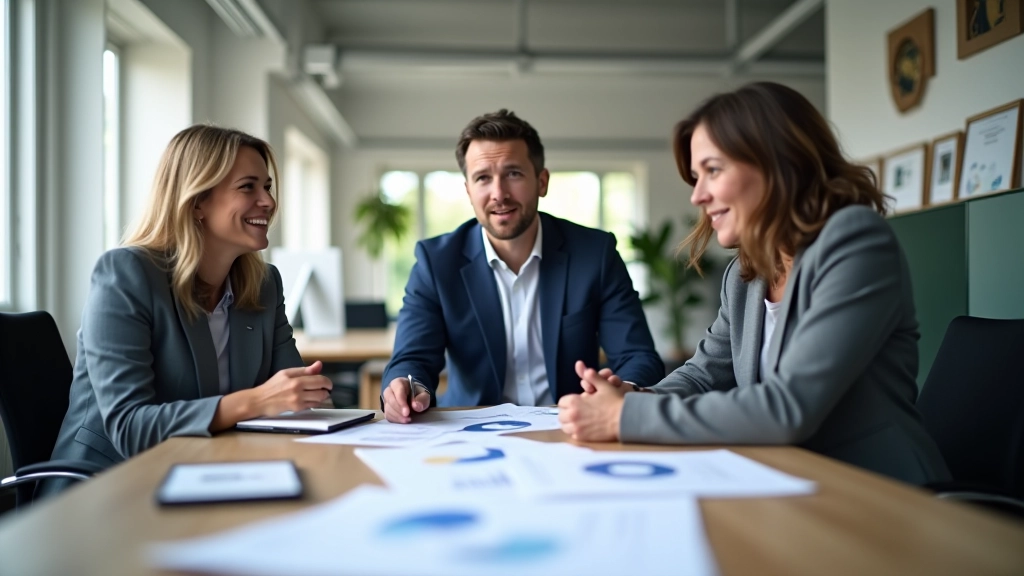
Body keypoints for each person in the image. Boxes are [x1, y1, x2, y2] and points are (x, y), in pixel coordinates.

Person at [557, 83, 950, 485]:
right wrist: (637, 396)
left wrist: (624, 416)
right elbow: (702, 376)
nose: (697, 196)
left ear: (777, 162)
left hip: (879, 489)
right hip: (790, 480)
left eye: (713, 170)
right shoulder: (745, 275)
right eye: (695, 177)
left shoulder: (855, 242)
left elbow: (789, 407)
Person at [45, 125, 332, 492]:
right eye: (248, 187)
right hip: (105, 488)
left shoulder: (263, 284)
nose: (269, 202)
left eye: (268, 187)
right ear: (197, 202)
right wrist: (255, 401)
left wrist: (308, 396)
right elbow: (130, 428)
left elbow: (295, 398)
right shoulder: (126, 275)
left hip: (208, 473)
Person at [382, 109, 663, 423]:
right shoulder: (436, 262)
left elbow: (637, 356)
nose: (499, 194)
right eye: (483, 178)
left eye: (513, 173)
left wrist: (624, 389)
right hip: (470, 428)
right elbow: (413, 358)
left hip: (571, 425)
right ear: (469, 190)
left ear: (542, 181)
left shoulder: (595, 253)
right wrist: (407, 388)